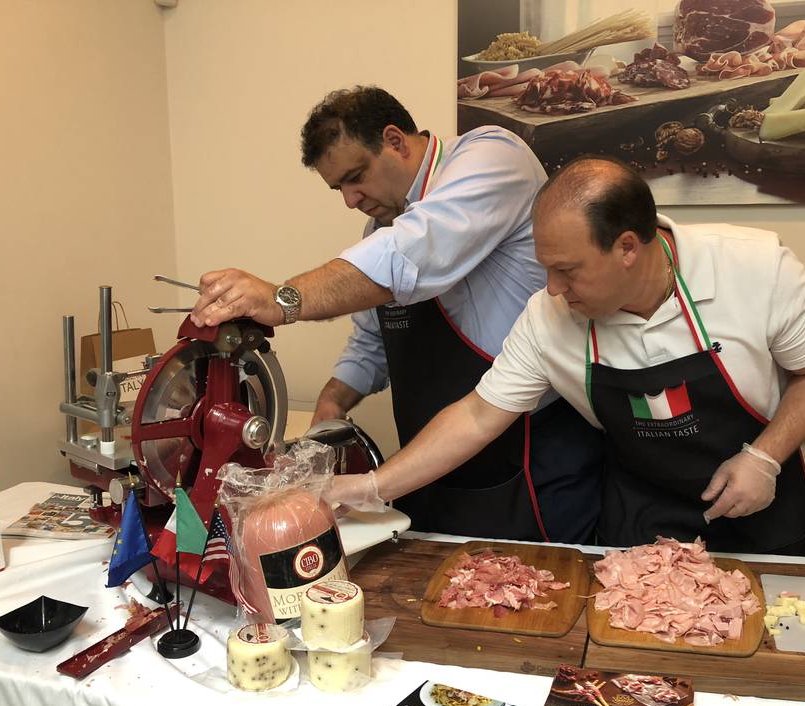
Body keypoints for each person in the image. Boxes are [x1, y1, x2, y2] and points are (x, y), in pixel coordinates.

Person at [329, 156, 805, 558]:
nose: (553, 289)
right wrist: (373, 487)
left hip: (764, 506)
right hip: (642, 519)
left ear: (627, 247)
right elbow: (477, 414)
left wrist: (765, 457)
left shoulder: (755, 268)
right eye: (546, 268)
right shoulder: (549, 316)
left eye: (568, 270)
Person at [188, 86, 603, 543]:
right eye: (339, 188)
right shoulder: (381, 231)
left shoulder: (492, 156)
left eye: (356, 177)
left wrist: (283, 299)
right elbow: (372, 342)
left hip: (529, 460)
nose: (350, 200)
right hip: (429, 463)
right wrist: (332, 402)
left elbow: (414, 252)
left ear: (395, 141)